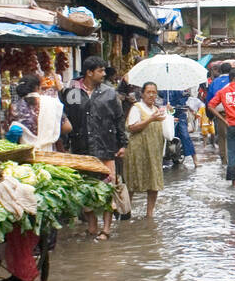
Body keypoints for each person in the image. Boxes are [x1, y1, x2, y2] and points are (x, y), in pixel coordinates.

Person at [67, 56, 127, 241]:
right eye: (100, 71)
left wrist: (122, 143)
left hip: (106, 147)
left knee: (107, 189)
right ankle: (92, 225)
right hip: (81, 148)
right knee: (85, 189)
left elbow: (119, 119)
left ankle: (106, 229)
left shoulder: (109, 93)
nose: (103, 74)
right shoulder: (73, 92)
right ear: (89, 72)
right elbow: (68, 117)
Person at [124, 82, 167, 219]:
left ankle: (149, 215)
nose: (151, 95)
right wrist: (150, 119)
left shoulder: (156, 110)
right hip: (138, 151)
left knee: (153, 182)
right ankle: (126, 213)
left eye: (154, 92)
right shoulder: (137, 108)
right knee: (132, 181)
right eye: (148, 92)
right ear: (142, 94)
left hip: (154, 151)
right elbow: (132, 127)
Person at [161, 88, 199, 166]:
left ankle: (195, 159)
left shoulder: (180, 88)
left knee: (185, 135)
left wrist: (176, 106)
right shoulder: (163, 88)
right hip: (166, 115)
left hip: (179, 114)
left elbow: (184, 99)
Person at [208, 62, 234, 164]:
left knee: (222, 137)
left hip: (220, 114)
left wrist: (209, 114)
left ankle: (224, 159)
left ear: (220, 71)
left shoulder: (215, 82)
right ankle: (233, 158)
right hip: (234, 112)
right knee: (233, 136)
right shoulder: (234, 81)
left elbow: (209, 99)